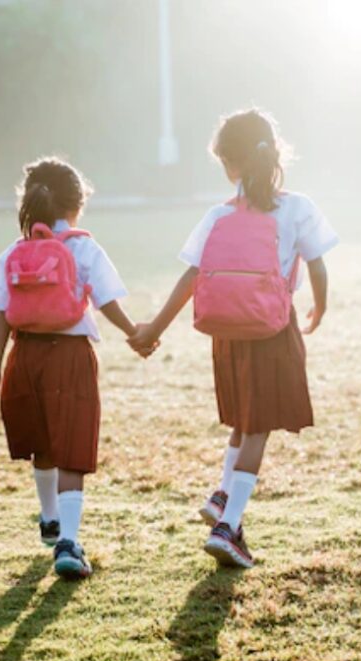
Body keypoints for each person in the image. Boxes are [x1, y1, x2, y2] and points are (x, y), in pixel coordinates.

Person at [129, 109, 339, 568]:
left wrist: (153, 329)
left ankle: (223, 496)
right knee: (258, 427)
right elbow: (318, 264)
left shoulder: (217, 215)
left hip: (227, 335)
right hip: (271, 329)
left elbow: (192, 276)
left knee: (243, 422)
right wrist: (320, 307)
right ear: (273, 153)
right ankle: (229, 526)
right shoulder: (298, 208)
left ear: (229, 164)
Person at [0, 157, 152, 579]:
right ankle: (69, 544)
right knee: (72, 447)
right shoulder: (83, 246)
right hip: (70, 356)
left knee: (43, 443)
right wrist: (135, 333)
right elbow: (107, 300)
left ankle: (49, 517)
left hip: (25, 356)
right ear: (76, 205)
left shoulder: (15, 251)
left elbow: (3, 311)